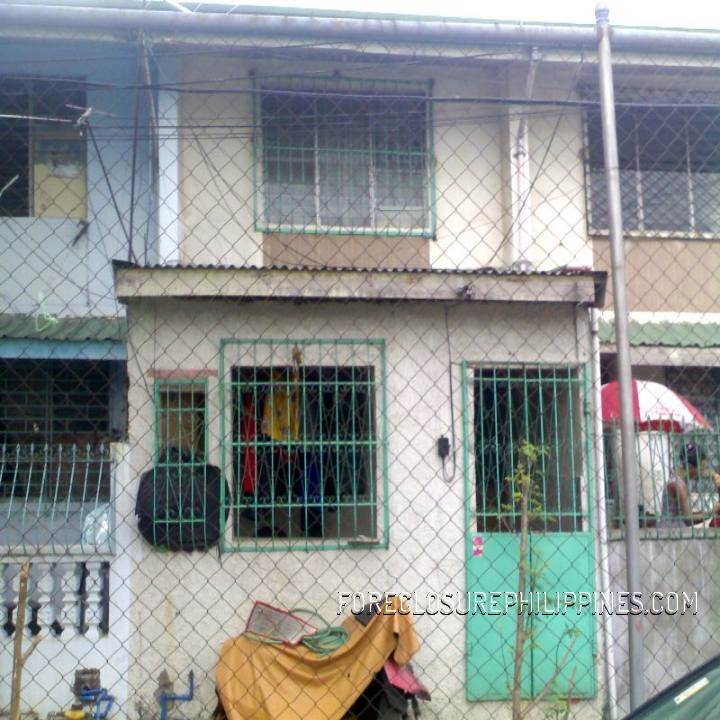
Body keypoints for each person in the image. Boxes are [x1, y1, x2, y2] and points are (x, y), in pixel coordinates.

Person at [660, 442, 720, 527]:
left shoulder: (679, 480)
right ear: (690, 467)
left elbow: (686, 515)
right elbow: (688, 519)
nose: (703, 472)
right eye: (702, 468)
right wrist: (713, 511)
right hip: (671, 531)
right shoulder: (677, 484)